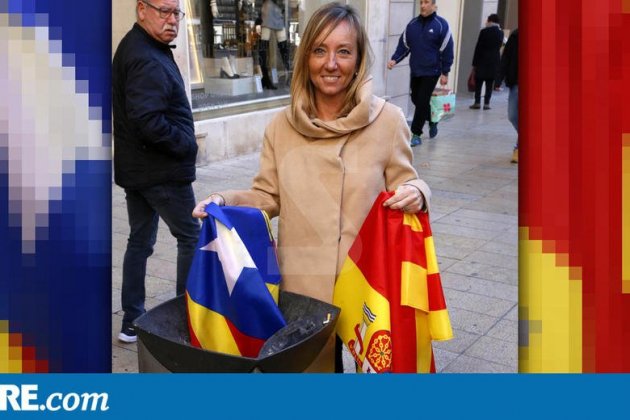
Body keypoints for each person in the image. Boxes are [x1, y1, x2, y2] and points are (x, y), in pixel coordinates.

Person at [192, 2, 431, 372]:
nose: (330, 64)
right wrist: (223, 199)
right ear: (305, 57)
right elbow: (267, 196)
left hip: (367, 282)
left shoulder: (387, 121)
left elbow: (405, 181)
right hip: (304, 285)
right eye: (319, 50)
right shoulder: (282, 126)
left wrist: (418, 192)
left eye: (343, 51)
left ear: (359, 57)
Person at [112, 0, 200, 343]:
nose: (172, 20)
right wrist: (186, 144)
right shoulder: (145, 56)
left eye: (176, 13)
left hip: (140, 168)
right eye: (163, 11)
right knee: (190, 235)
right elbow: (148, 120)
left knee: (140, 240)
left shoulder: (144, 46)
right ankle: (184, 318)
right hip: (159, 171)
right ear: (141, 10)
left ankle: (131, 319)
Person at [387, 0, 454, 146]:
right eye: (421, 2)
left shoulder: (441, 25)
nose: (423, 5)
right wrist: (394, 60)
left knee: (422, 100)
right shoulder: (412, 25)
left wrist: (445, 72)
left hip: (432, 70)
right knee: (416, 99)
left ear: (434, 6)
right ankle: (433, 119)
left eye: (426, 2)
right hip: (416, 70)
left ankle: (416, 134)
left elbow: (447, 49)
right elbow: (404, 45)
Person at [469, 14, 504, 110]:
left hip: (481, 60)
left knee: (479, 82)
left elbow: (478, 47)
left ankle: (477, 102)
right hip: (493, 61)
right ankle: (487, 103)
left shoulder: (484, 31)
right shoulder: (500, 33)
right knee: (489, 83)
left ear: (490, 21)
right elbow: (499, 46)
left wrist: (474, 63)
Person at [259, 0, 291, 89]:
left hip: (276, 8)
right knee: (265, 44)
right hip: (269, 7)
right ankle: (265, 77)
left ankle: (288, 73)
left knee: (282, 44)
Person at [498, 28, 518, 163]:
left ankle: (518, 147)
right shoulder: (516, 34)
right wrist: (499, 78)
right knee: (513, 115)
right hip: (516, 80)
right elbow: (506, 56)